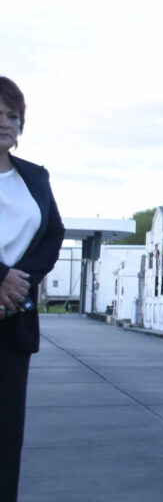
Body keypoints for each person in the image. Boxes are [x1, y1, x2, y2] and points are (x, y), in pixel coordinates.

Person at [0, 76, 65, 501]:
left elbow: (52, 236)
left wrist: (17, 287)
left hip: (12, 319)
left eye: (12, 115)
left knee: (6, 436)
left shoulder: (34, 179)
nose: (5, 122)